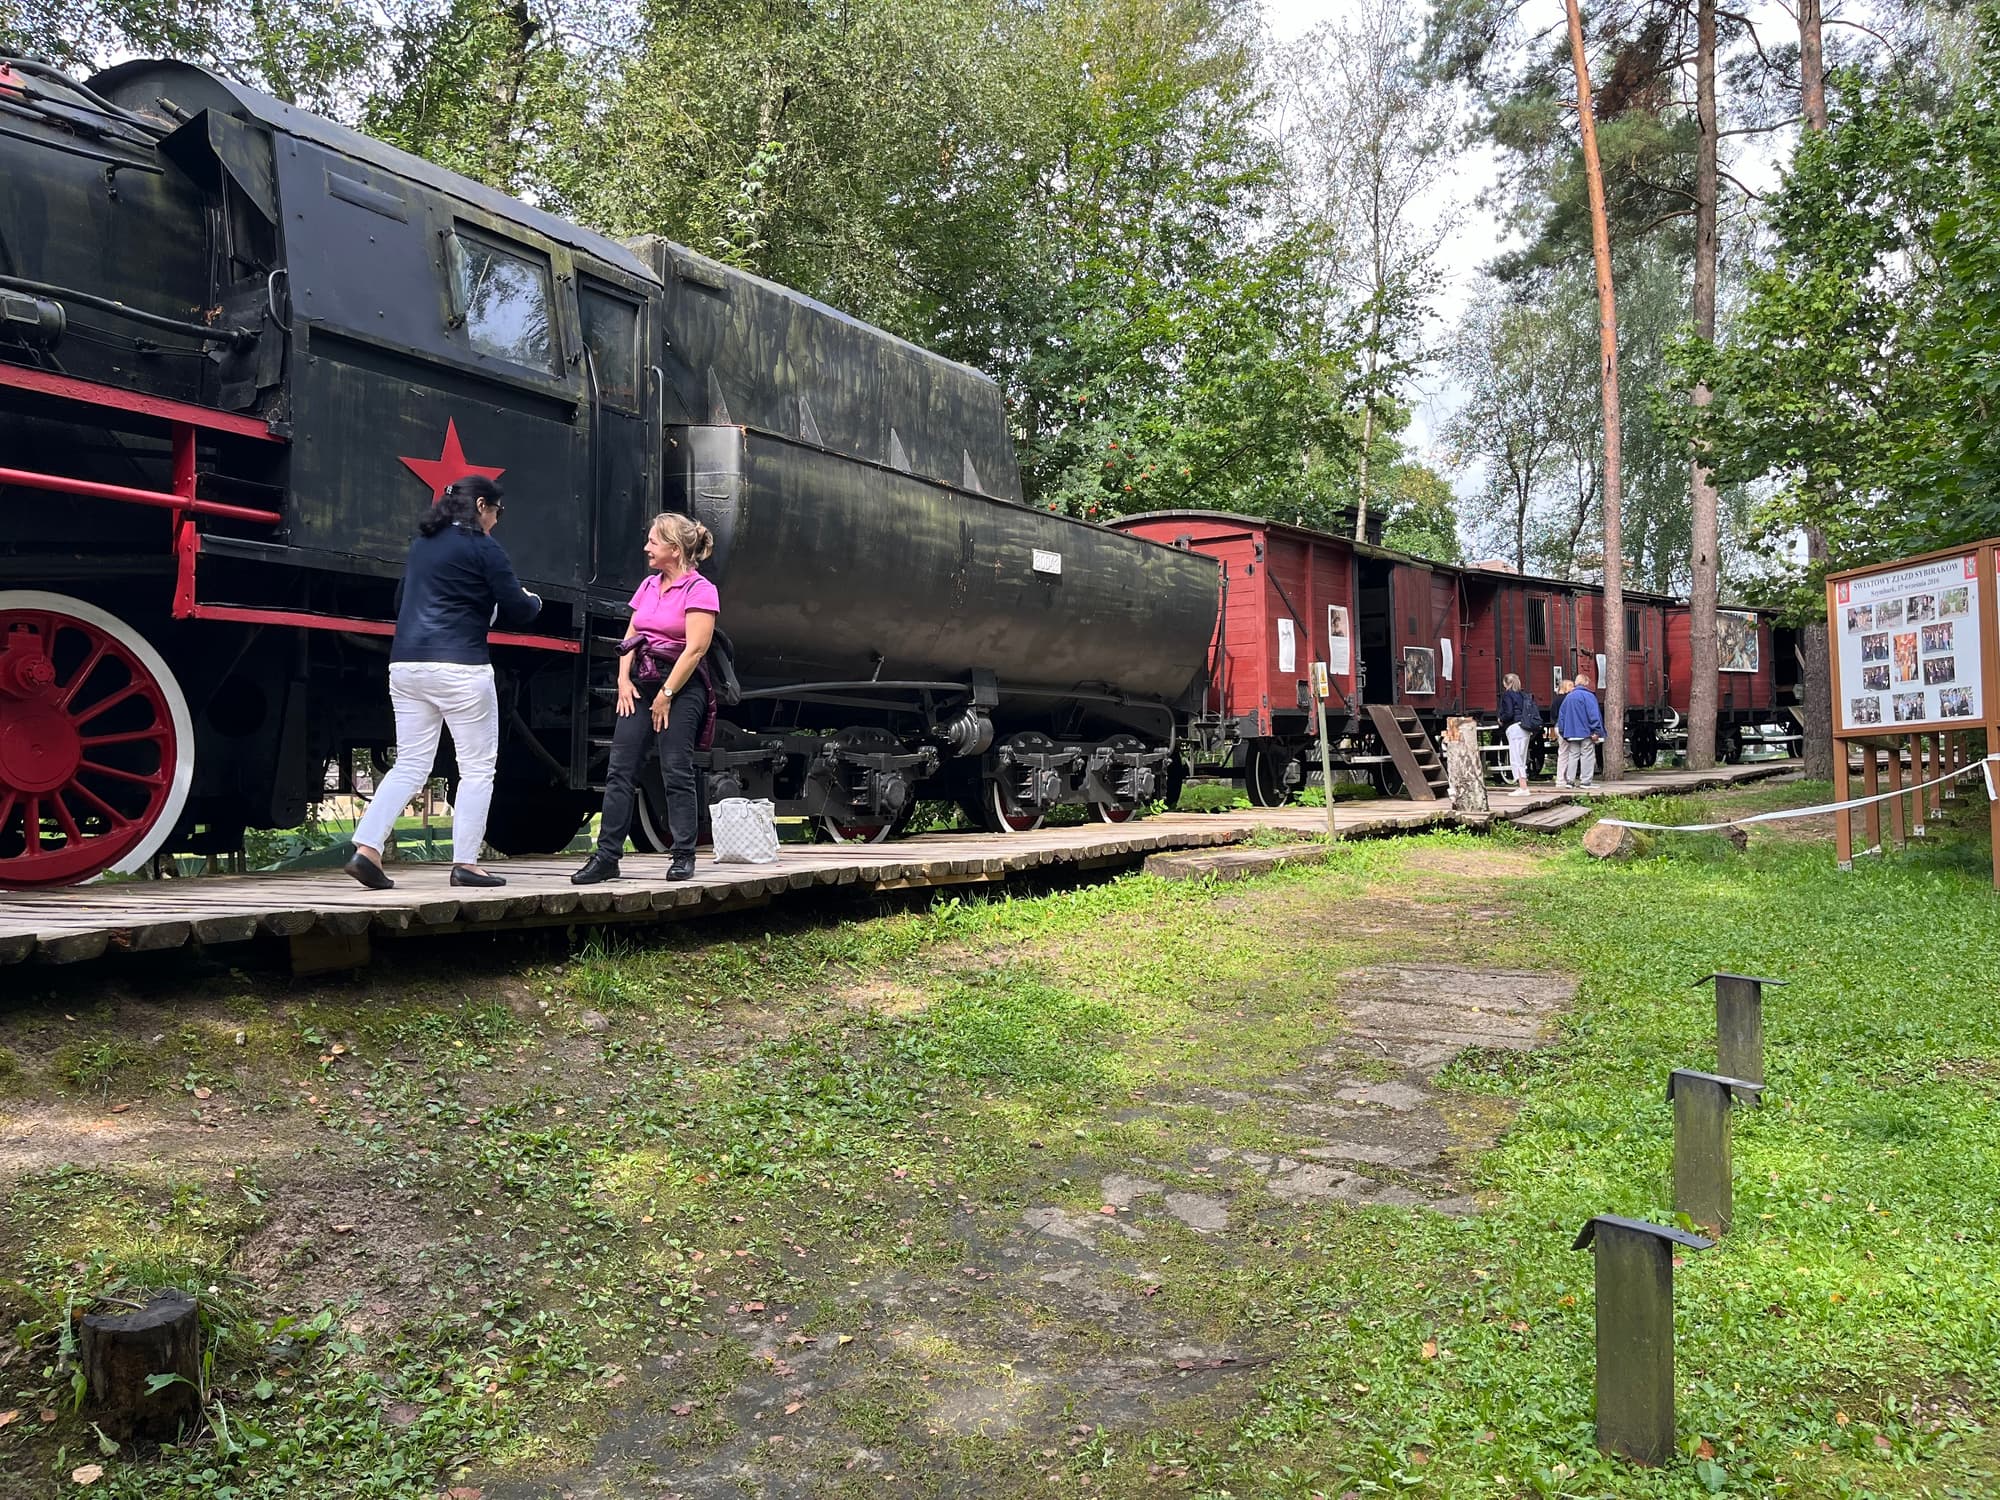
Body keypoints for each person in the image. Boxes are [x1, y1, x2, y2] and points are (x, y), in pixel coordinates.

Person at [345, 476, 541, 889]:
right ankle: (466, 863)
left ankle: (367, 849)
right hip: (461, 669)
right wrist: (533, 599)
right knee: (477, 768)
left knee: (411, 764)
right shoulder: (484, 548)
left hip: (407, 666)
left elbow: (401, 603)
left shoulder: (421, 546)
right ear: (482, 505)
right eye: (497, 512)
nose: (497, 520)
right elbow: (520, 609)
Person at [572, 512, 719, 884]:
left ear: (674, 548)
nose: (646, 548)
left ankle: (683, 853)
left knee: (675, 768)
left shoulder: (700, 589)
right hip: (642, 681)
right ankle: (607, 856)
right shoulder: (649, 585)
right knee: (620, 769)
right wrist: (623, 679)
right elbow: (632, 636)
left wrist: (667, 694)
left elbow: (695, 649)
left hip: (682, 685)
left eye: (653, 542)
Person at [1556, 670, 1605, 790]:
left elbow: (1561, 716)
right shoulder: (1589, 696)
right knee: (1587, 755)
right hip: (1585, 732)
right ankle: (1585, 781)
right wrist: (1597, 731)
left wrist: (1563, 732)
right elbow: (1594, 715)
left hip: (1571, 733)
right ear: (1586, 683)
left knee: (1573, 755)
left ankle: (1570, 781)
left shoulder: (1568, 697)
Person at [1496, 672, 1540, 794]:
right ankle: (1523, 784)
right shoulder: (1524, 695)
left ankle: (1523, 786)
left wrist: (1501, 719)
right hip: (1525, 727)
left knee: (1515, 758)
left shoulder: (1507, 695)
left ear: (1506, 683)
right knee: (1522, 756)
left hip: (1514, 727)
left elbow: (1509, 713)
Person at [1550, 677, 1574, 786]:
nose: (1573, 688)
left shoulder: (1555, 700)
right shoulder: (1568, 699)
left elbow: (1553, 715)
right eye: (1571, 686)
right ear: (1566, 687)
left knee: (1563, 752)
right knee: (1569, 753)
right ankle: (1565, 778)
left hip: (1557, 726)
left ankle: (1561, 778)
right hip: (1566, 727)